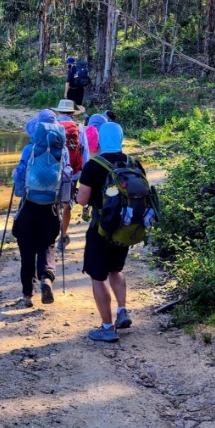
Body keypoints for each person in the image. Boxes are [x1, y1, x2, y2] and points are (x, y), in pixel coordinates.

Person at [77, 121, 142, 342]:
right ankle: (122, 310)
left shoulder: (94, 166)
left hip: (101, 230)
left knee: (98, 276)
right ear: (121, 138)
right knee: (116, 269)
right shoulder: (133, 163)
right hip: (125, 229)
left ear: (101, 140)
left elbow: (82, 199)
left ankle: (107, 327)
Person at [10, 110, 69, 307]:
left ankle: (27, 295)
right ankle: (47, 278)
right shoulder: (63, 149)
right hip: (50, 209)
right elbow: (66, 178)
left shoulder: (30, 148)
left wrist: (18, 187)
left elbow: (19, 177)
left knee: (26, 251)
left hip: (28, 206)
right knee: (47, 245)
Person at [51, 99, 86, 253]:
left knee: (52, 202)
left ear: (58, 112)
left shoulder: (52, 126)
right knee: (67, 203)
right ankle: (62, 237)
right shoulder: (79, 129)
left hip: (53, 172)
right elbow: (85, 154)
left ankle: (50, 236)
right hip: (72, 172)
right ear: (72, 113)